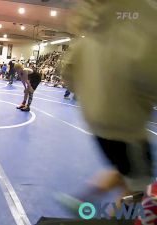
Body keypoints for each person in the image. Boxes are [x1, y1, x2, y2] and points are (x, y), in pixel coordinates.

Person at [59, 0, 157, 217]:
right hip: (126, 124)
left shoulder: (92, 28)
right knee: (139, 189)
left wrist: (93, 94)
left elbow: (68, 72)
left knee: (123, 169)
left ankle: (83, 199)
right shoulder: (141, 23)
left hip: (97, 123)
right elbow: (149, 75)